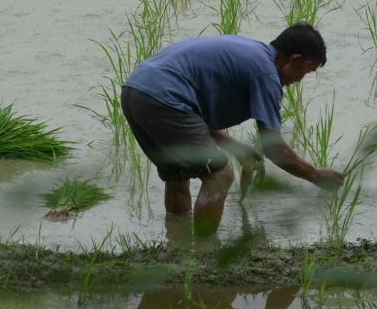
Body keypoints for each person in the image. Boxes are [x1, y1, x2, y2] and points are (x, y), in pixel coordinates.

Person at [120, 22, 345, 238]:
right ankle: (204, 251)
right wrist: (315, 174)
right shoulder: (266, 73)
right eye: (306, 71)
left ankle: (177, 243)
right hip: (165, 98)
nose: (300, 80)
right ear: (294, 60)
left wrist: (237, 147)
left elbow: (195, 118)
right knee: (220, 175)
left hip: (136, 91)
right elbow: (274, 147)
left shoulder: (253, 53)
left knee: (178, 174)